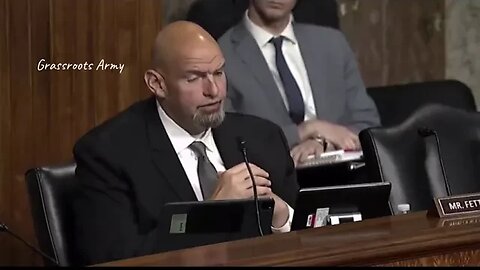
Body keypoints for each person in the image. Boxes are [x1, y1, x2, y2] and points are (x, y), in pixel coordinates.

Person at [71, 21, 298, 265]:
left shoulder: (262, 137)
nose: (214, 91)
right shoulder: (108, 153)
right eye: (194, 78)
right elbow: (117, 258)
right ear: (157, 84)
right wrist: (211, 213)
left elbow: (309, 234)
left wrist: (280, 217)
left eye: (219, 73)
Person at [218, 0, 381, 166]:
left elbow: (367, 123)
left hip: (345, 176)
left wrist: (323, 143)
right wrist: (306, 130)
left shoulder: (332, 43)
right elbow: (230, 141)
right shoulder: (219, 58)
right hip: (272, 181)